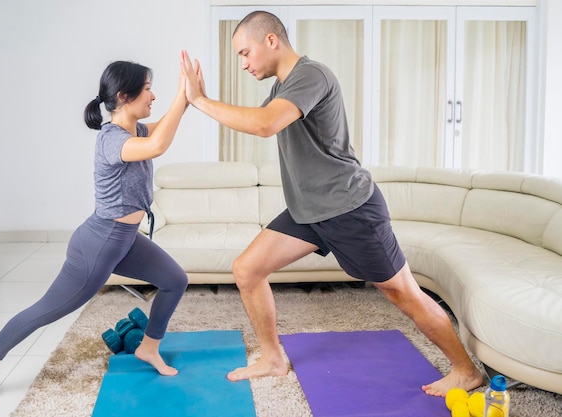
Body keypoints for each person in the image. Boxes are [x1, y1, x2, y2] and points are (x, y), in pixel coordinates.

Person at [180, 10, 483, 397]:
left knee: (402, 292)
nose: (243, 64)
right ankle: (273, 358)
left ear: (270, 40)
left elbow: (263, 124)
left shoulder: (312, 75)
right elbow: (266, 118)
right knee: (247, 270)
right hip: (309, 211)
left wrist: (200, 100)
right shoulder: (282, 87)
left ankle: (465, 370)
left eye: (245, 53)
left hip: (349, 208)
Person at [0, 61, 190, 408]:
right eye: (148, 88)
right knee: (47, 310)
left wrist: (187, 100)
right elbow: (158, 146)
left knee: (175, 279)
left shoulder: (137, 131)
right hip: (99, 243)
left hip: (125, 239)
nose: (154, 95)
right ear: (124, 96)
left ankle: (149, 346)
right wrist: (183, 95)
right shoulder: (112, 140)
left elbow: (161, 130)